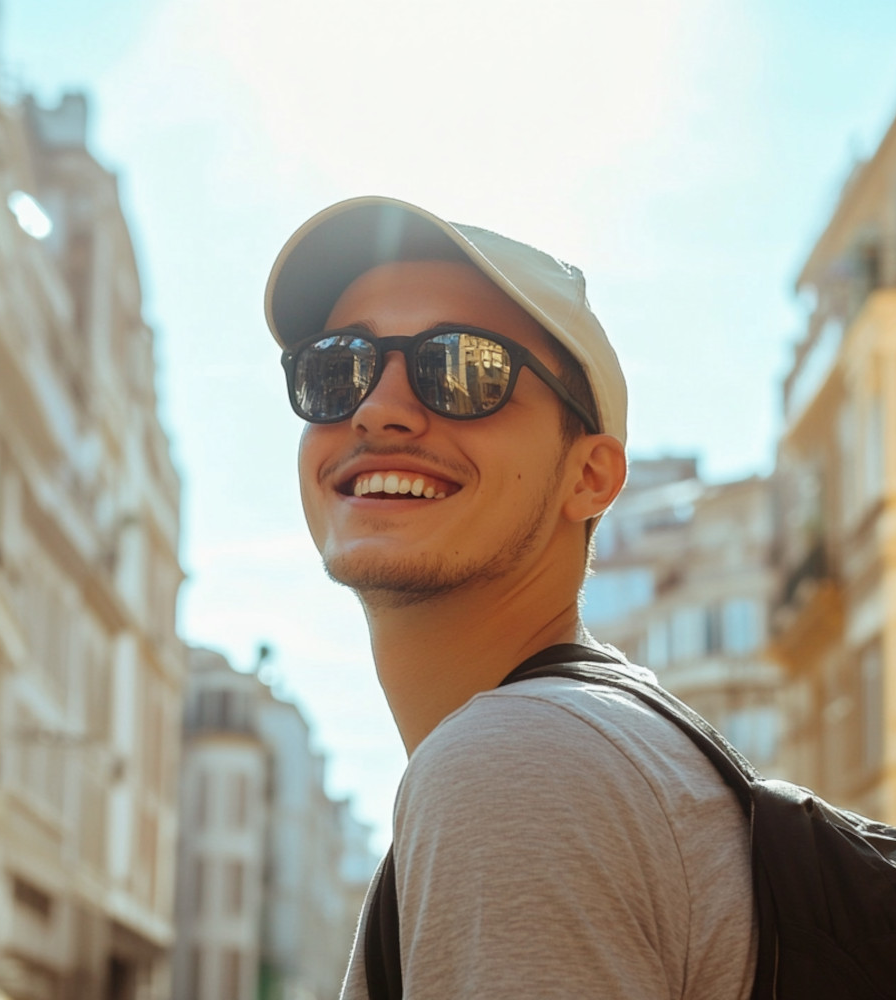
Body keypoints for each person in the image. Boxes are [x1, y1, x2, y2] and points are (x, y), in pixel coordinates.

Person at [265, 196, 755, 999]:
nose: (380, 410)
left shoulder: (518, 767)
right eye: (337, 367)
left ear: (589, 475)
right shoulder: (599, 742)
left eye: (462, 369)